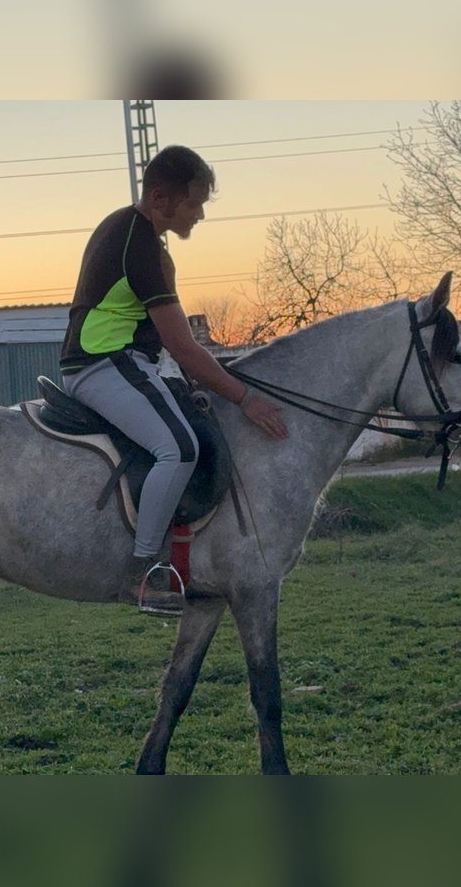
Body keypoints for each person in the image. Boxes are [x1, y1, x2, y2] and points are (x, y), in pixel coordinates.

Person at [60, 145, 288, 615]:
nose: (201, 214)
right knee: (179, 447)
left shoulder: (130, 228)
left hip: (123, 362)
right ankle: (142, 573)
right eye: (195, 203)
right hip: (103, 364)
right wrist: (245, 399)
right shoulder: (141, 246)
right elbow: (184, 347)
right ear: (161, 198)